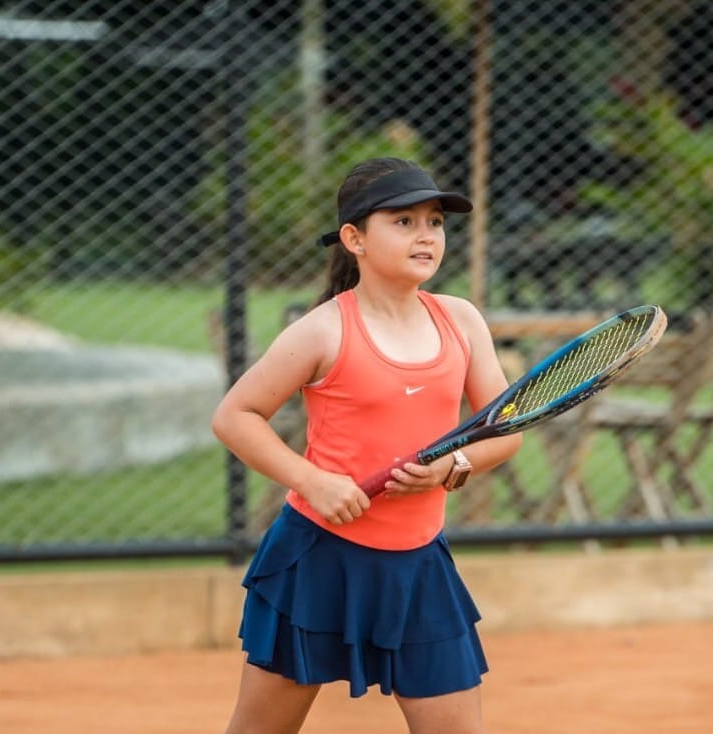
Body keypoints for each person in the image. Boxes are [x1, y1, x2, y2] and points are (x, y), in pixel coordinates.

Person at [211, 157, 522, 734]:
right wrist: (312, 481)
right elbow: (235, 416)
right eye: (403, 222)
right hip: (318, 558)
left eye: (435, 221)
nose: (426, 234)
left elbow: (505, 431)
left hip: (419, 564)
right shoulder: (323, 329)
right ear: (354, 238)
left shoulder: (461, 319)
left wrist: (451, 468)